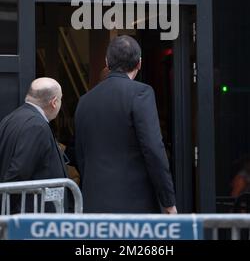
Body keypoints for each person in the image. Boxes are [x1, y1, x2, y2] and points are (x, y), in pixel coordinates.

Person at [75, 35, 177, 214]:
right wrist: (168, 201)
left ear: (107, 62)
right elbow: (153, 149)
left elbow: (81, 154)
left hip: (93, 203)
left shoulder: (84, 101)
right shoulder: (141, 93)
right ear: (139, 63)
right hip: (134, 206)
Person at [0, 77, 68, 212]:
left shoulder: (11, 118)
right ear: (54, 102)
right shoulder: (37, 126)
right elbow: (19, 171)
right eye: (60, 99)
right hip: (32, 216)